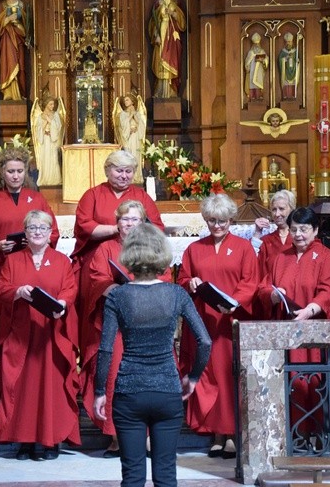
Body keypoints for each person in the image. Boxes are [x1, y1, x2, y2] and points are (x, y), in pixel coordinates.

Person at [94, 223, 211, 487]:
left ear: (129, 255)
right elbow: (204, 341)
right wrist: (192, 378)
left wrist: (100, 391)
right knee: (166, 474)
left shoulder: (119, 296)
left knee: (133, 476)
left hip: (129, 392)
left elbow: (106, 349)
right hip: (167, 390)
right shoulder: (176, 293)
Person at [81, 201, 172, 458]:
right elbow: (97, 279)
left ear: (143, 222)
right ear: (117, 223)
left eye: (134, 220)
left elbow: (164, 278)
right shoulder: (105, 248)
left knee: (147, 380)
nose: (129, 224)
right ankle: (116, 438)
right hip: (118, 322)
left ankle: (147, 438)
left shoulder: (154, 248)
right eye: (124, 220)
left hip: (147, 324)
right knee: (114, 375)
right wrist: (120, 290)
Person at [177, 193, 259, 458]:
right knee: (207, 376)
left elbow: (250, 281)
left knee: (228, 376)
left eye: (222, 220)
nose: (217, 226)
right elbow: (183, 278)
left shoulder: (244, 247)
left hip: (230, 321)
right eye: (211, 220)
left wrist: (235, 303)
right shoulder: (194, 248)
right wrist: (189, 283)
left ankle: (233, 434)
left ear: (231, 220)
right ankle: (216, 433)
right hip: (203, 323)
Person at [0, 210, 80, 460]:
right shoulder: (12, 260)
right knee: (22, 388)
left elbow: (69, 289)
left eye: (43, 228)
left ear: (51, 231)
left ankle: (50, 441)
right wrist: (17, 291)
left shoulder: (62, 261)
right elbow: (2, 288)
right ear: (25, 232)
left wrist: (63, 303)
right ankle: (25, 442)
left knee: (50, 387)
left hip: (51, 334)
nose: (38, 232)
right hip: (22, 333)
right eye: (32, 228)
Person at [256, 207, 330, 444]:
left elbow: (329, 291)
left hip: (315, 332)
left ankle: (319, 436)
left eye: (304, 230)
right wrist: (273, 296)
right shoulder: (281, 257)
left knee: (315, 383)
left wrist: (310, 310)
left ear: (315, 230)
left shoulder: (325, 256)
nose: (298, 235)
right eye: (294, 229)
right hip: (287, 333)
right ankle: (295, 436)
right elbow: (265, 287)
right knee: (291, 384)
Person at [0, 146, 59, 369]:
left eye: (20, 171)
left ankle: (32, 367)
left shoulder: (37, 199)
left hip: (31, 267)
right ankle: (4, 367)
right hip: (0, 267)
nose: (15, 175)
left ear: (26, 172)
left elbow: (53, 231)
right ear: (2, 172)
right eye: (10, 171)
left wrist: (38, 242)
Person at [73, 150, 164, 348]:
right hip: (98, 262)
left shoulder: (141, 196)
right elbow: (84, 226)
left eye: (128, 171)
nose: (124, 176)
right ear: (107, 170)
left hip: (136, 260)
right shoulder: (93, 195)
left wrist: (132, 231)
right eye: (119, 170)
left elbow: (156, 227)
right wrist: (117, 228)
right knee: (98, 318)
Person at [148, 0, 186, 98]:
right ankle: (160, 91)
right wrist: (156, 35)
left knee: (172, 60)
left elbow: (183, 22)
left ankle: (172, 91)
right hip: (161, 34)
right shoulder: (158, 2)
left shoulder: (177, 2)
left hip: (172, 36)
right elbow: (153, 22)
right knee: (160, 61)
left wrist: (174, 14)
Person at [0, 0, 29, 101]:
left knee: (20, 65)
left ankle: (20, 93)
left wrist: (19, 25)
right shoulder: (2, 5)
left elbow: (26, 23)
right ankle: (8, 94)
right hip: (7, 39)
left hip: (18, 37)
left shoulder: (21, 4)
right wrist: (8, 19)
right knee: (7, 62)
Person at [252, 189, 296, 277]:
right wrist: (257, 232)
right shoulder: (266, 241)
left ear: (292, 209)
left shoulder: (300, 238)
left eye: (281, 209)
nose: (277, 214)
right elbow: (252, 266)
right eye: (274, 210)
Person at [113, 94, 147, 184]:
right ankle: (128, 178)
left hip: (136, 138)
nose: (125, 102)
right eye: (125, 100)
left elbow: (142, 127)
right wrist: (129, 126)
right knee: (129, 157)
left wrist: (136, 121)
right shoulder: (123, 114)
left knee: (136, 156)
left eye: (127, 100)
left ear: (132, 101)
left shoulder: (138, 113)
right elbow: (122, 127)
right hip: (128, 139)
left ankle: (137, 177)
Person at [32, 96, 64, 186]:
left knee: (53, 159)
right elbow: (38, 130)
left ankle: (54, 180)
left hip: (52, 141)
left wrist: (51, 121)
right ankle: (45, 179)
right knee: (45, 158)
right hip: (45, 140)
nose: (52, 106)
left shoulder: (55, 115)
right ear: (46, 105)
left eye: (53, 104)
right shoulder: (40, 116)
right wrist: (45, 122)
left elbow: (58, 127)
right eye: (50, 104)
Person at [244, 32, 267, 101]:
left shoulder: (262, 51)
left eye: (257, 44)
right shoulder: (250, 52)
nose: (256, 45)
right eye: (255, 44)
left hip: (259, 71)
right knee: (252, 84)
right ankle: (252, 97)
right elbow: (247, 62)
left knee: (258, 84)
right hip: (252, 71)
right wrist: (247, 66)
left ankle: (259, 96)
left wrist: (263, 60)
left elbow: (266, 60)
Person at [277, 32, 299, 100]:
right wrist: (285, 58)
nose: (288, 43)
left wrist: (297, 61)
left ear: (292, 42)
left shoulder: (295, 51)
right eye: (287, 42)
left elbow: (298, 60)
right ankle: (286, 97)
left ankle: (293, 96)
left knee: (293, 84)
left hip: (293, 70)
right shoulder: (283, 51)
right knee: (286, 84)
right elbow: (280, 60)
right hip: (286, 71)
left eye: (290, 42)